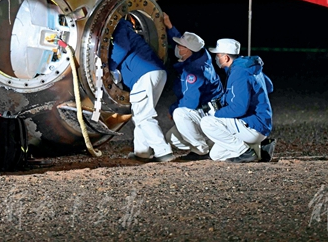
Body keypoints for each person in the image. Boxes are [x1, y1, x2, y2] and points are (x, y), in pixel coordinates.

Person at [109, 16, 176, 163]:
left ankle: (163, 151)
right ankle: (142, 152)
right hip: (155, 73)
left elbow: (121, 48)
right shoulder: (128, 30)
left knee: (143, 116)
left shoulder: (121, 27)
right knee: (139, 114)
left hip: (145, 75)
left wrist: (110, 67)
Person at [199, 38, 274, 163]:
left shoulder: (239, 72)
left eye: (218, 55)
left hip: (254, 126)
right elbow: (269, 87)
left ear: (226, 58)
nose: (216, 58)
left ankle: (244, 152)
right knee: (216, 155)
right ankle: (260, 149)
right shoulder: (249, 67)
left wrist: (216, 113)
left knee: (207, 122)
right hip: (261, 125)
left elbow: (239, 108)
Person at [162, 13, 223, 161]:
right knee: (172, 138)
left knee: (179, 114)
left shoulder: (195, 71)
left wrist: (173, 109)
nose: (177, 48)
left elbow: (190, 102)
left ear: (188, 50)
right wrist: (169, 26)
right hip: (207, 110)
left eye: (180, 46)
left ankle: (201, 150)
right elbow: (184, 42)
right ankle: (211, 142)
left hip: (210, 113)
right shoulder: (198, 54)